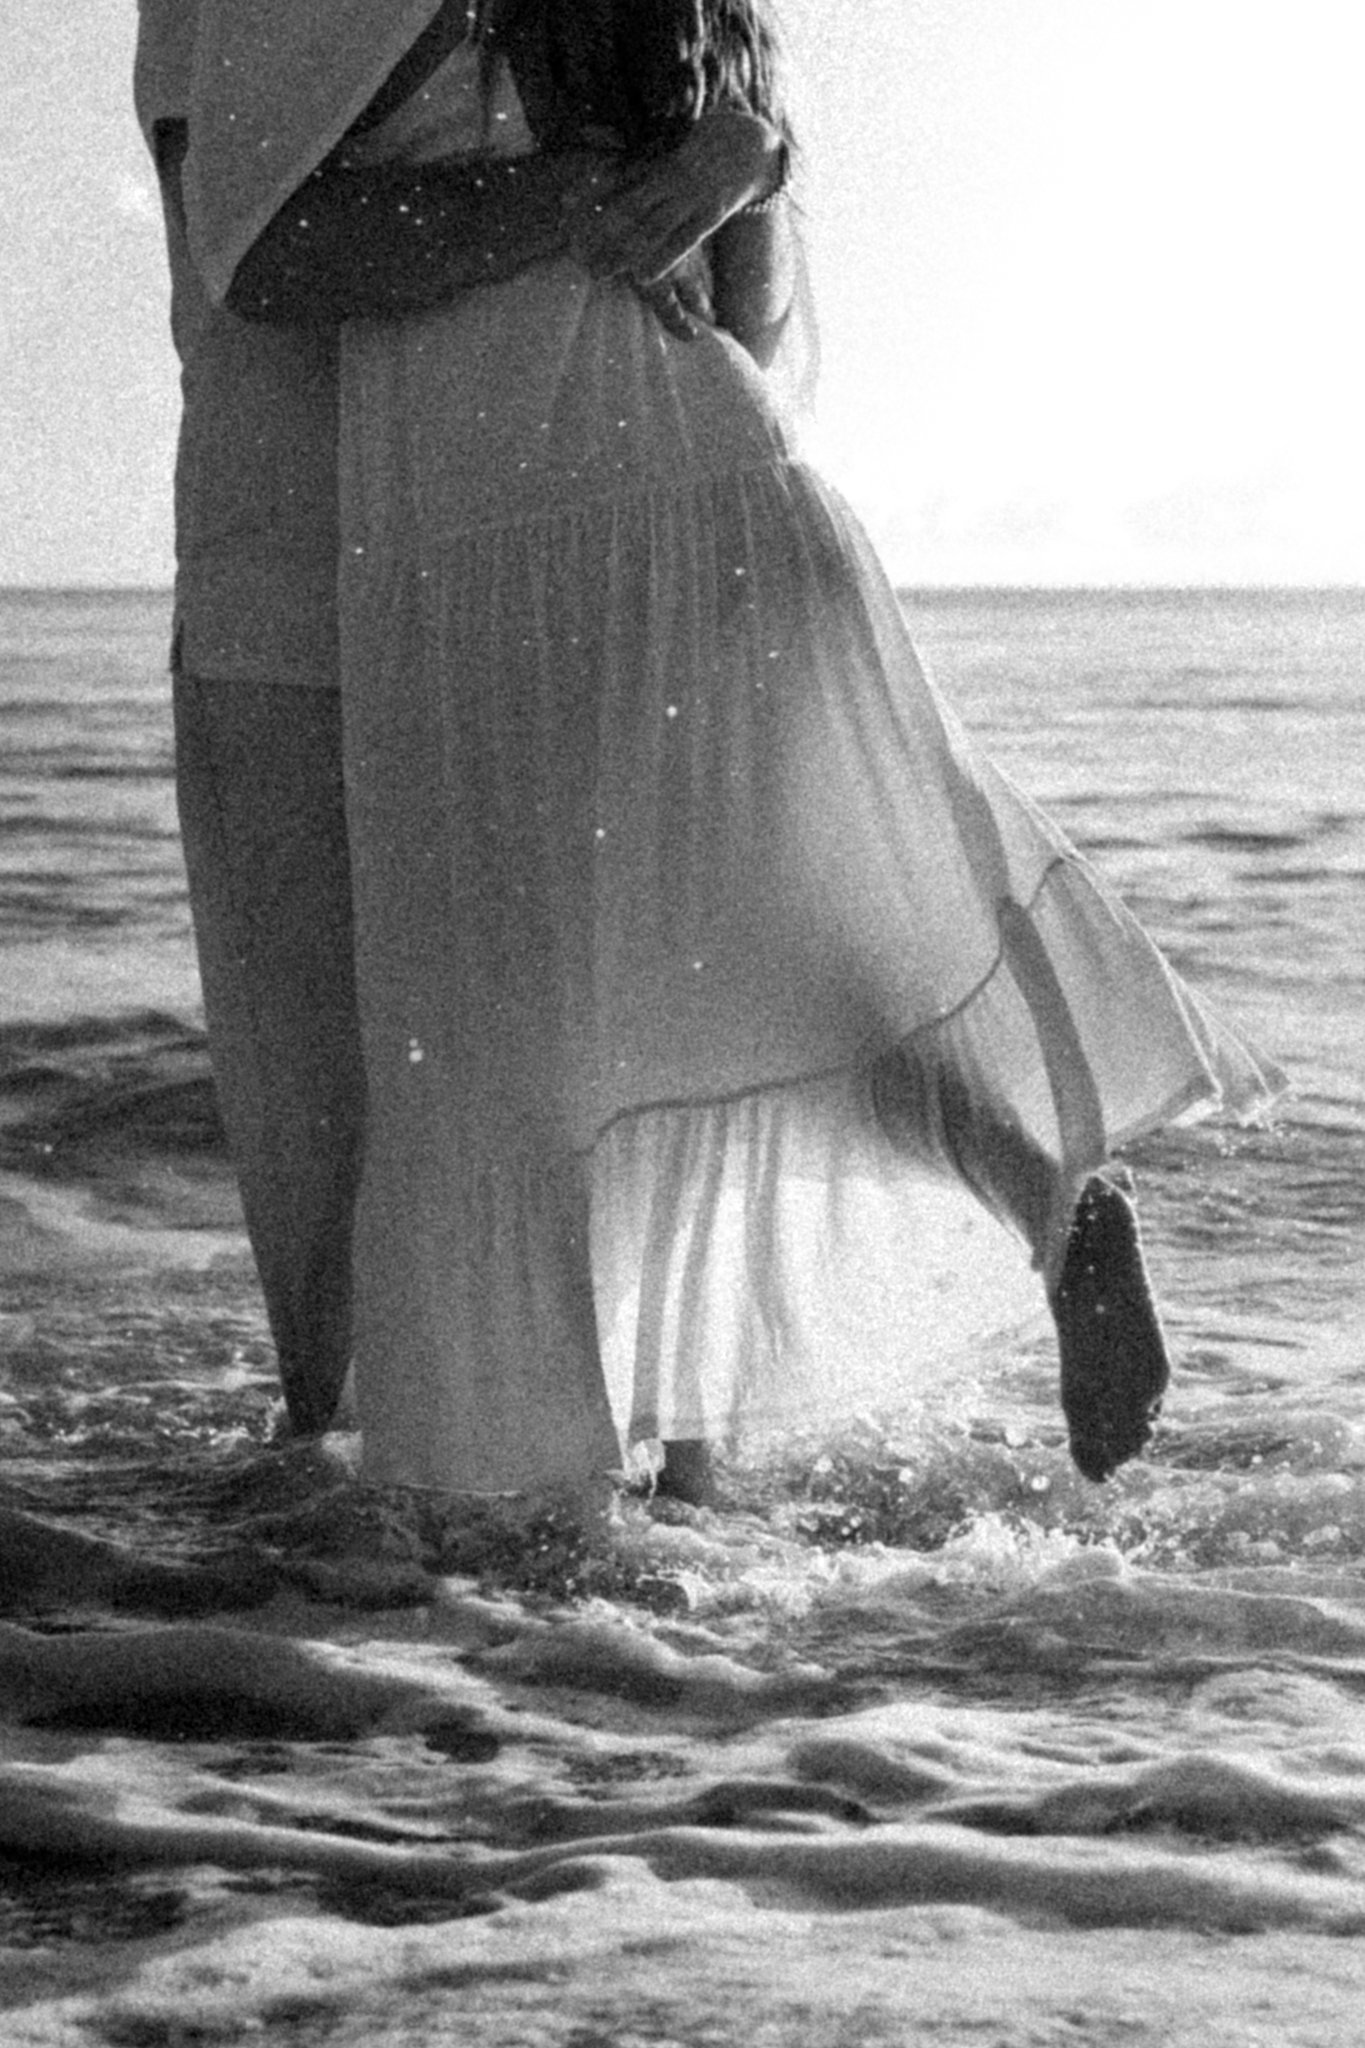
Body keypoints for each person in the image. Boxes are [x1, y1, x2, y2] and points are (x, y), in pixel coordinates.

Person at [185, 0, 1284, 1507]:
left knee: (515, 1044)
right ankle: (1043, 1205)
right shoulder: (713, 23)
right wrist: (737, 162)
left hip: (507, 527)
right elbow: (752, 324)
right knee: (795, 964)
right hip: (732, 488)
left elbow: (265, 259)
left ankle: (535, 1521)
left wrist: (568, 195)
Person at [133, 0, 789, 1478]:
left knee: (458, 1159)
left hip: (444, 582)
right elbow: (256, 252)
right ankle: (511, 1570)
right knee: (471, 1152)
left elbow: (737, 323)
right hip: (331, 585)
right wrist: (623, 188)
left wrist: (746, 158)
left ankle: (474, 1574)